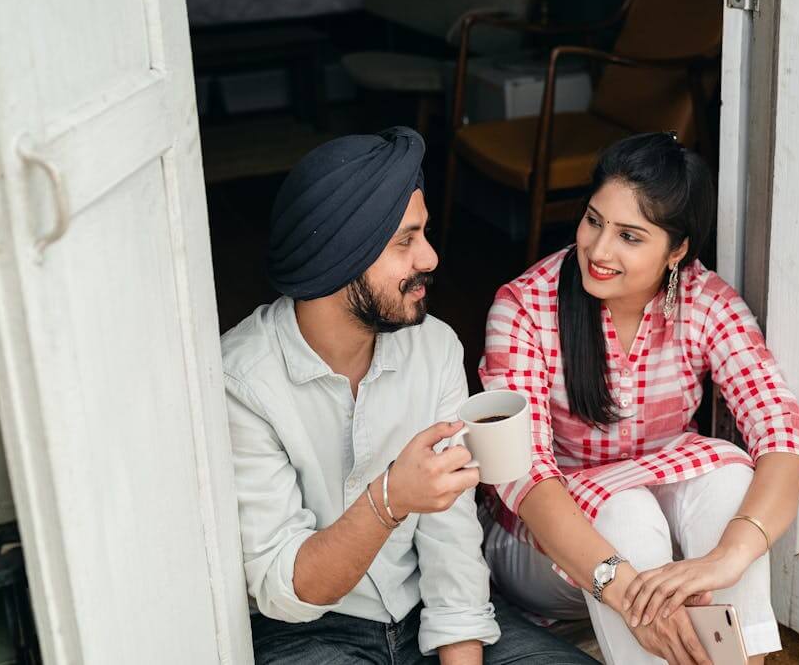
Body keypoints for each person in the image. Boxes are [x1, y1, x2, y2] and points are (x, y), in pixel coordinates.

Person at [221, 127, 595, 664]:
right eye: (406, 241)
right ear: (338, 256)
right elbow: (287, 587)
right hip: (309, 634)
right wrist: (392, 497)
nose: (431, 257)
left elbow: (451, 542)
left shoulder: (434, 347)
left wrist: (459, 650)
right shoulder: (244, 381)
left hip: (425, 610)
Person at [480, 132, 799, 665]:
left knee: (732, 479)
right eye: (594, 221)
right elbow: (524, 476)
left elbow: (781, 430)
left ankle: (740, 661)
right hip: (545, 554)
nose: (599, 249)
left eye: (630, 237)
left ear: (677, 249)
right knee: (627, 511)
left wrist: (731, 556)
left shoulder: (706, 301)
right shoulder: (524, 307)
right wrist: (629, 590)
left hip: (664, 547)